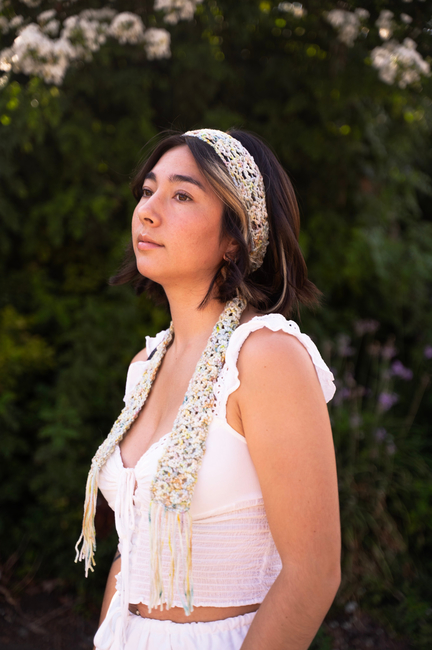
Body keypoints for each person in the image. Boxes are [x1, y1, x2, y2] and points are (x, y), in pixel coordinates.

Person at [75, 128, 341, 650]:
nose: (148, 211)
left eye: (181, 195)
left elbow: (313, 574)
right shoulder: (145, 366)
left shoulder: (265, 357)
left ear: (235, 238)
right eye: (147, 190)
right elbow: (132, 550)